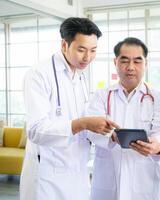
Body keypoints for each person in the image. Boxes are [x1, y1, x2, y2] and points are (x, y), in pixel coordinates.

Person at [20, 17, 118, 200]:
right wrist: (82, 123)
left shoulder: (80, 76)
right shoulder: (39, 75)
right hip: (47, 176)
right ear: (64, 45)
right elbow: (35, 131)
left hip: (77, 173)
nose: (87, 57)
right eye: (81, 50)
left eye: (93, 50)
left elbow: (84, 126)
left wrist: (105, 131)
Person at [86, 37, 160, 200]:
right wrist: (111, 136)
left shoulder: (157, 98)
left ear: (145, 63)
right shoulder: (102, 96)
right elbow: (91, 131)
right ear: (115, 62)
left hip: (142, 179)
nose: (130, 67)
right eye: (124, 61)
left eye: (137, 61)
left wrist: (157, 145)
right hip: (107, 176)